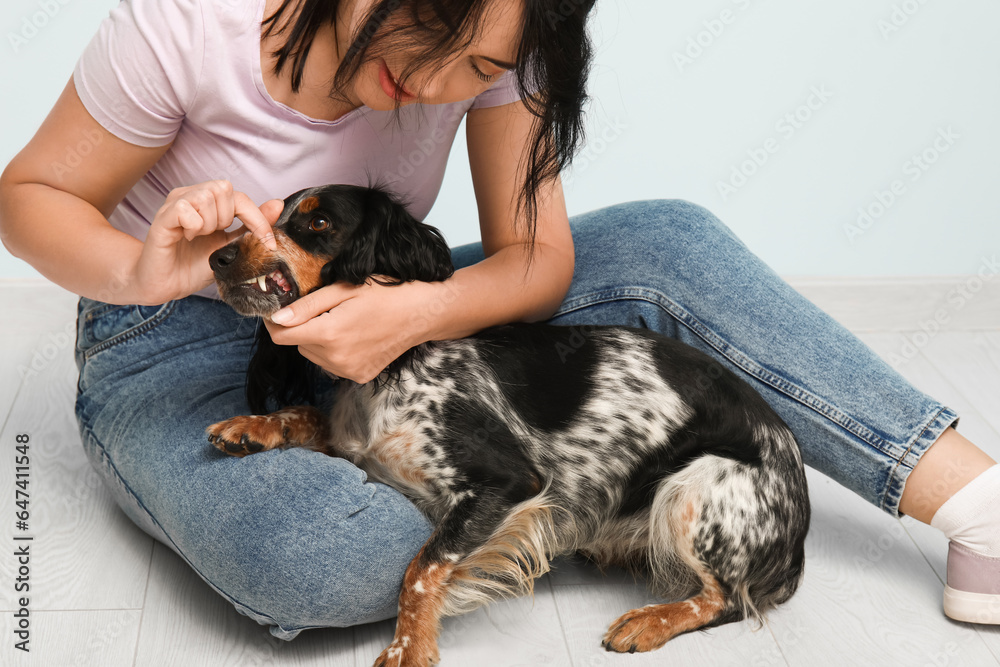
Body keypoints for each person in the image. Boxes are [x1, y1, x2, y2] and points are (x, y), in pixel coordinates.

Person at [0, 0, 997, 642]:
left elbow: (536, 259)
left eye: (481, 69)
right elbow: (29, 196)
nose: (442, 87)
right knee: (311, 554)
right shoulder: (185, 24)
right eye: (437, 35)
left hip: (391, 331)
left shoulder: (502, 46)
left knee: (666, 240)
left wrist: (413, 313)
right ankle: (562, 496)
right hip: (176, 336)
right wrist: (143, 266)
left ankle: (981, 509)